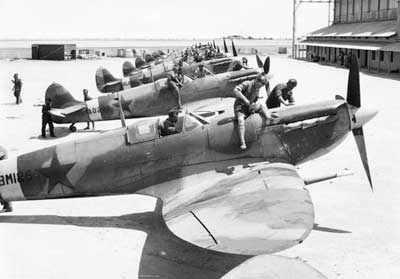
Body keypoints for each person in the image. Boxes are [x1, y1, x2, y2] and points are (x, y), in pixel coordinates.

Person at [233, 74, 272, 150]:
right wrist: (245, 100)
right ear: (256, 80)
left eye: (261, 86)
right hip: (240, 107)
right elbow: (235, 90)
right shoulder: (247, 83)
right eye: (260, 85)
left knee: (261, 106)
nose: (260, 87)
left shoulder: (257, 88)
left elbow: (255, 99)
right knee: (240, 121)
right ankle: (242, 142)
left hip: (249, 106)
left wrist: (253, 105)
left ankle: (268, 118)